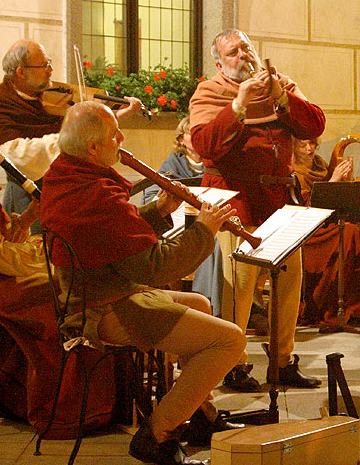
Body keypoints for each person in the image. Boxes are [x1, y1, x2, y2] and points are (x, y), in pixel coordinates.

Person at [39, 101, 246, 465]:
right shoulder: (98, 195)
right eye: (114, 134)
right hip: (103, 308)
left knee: (201, 304)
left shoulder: (65, 176)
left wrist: (157, 211)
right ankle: (157, 432)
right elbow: (155, 268)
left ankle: (199, 414)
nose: (121, 139)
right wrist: (205, 229)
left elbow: (111, 238)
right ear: (92, 149)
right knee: (230, 339)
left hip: (95, 291)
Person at [0, 104, 115, 437]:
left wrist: (27, 221)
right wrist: (50, 260)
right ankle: (61, 411)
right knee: (65, 296)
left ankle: (12, 397)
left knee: (57, 285)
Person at [189, 28, 326, 392]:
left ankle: (282, 362)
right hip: (236, 201)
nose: (243, 56)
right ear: (219, 63)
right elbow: (204, 145)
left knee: (288, 281)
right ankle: (234, 364)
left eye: (247, 48)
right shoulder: (210, 92)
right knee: (240, 288)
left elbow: (314, 125)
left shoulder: (280, 85)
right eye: (234, 52)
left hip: (280, 202)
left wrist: (282, 96)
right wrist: (238, 105)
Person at [0, 39, 142, 233]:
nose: (50, 69)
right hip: (27, 197)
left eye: (49, 62)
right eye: (43, 65)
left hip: (63, 194)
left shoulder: (48, 98)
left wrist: (117, 115)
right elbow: (14, 154)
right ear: (21, 72)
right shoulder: (0, 107)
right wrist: (71, 138)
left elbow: (86, 132)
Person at [143, 118, 224, 315]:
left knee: (218, 242)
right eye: (191, 133)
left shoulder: (213, 164)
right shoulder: (172, 163)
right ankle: (205, 300)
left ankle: (216, 301)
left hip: (203, 219)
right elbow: (151, 195)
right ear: (181, 140)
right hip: (178, 223)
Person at [292, 137, 360, 326]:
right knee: (348, 232)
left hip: (326, 224)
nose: (310, 149)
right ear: (294, 147)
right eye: (303, 145)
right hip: (306, 230)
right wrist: (334, 180)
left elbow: (336, 202)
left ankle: (351, 307)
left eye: (312, 143)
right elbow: (308, 208)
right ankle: (325, 306)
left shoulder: (320, 165)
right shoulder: (293, 171)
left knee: (350, 231)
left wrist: (346, 180)